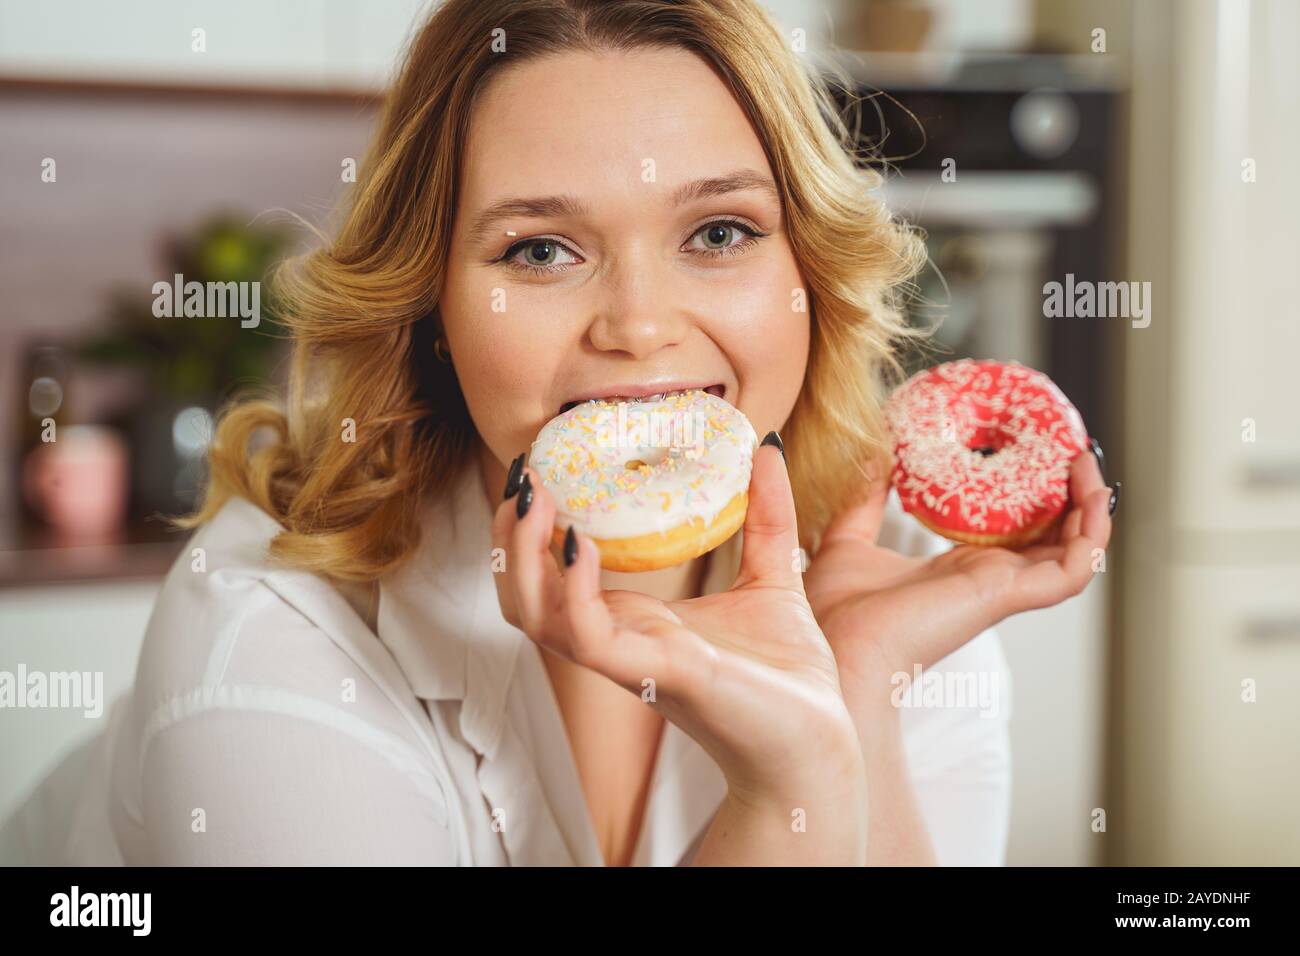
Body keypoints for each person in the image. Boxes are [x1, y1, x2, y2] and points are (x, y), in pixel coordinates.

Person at [0, 0, 1113, 866]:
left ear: (809, 276)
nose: (636, 325)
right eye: (539, 250)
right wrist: (790, 788)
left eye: (719, 230)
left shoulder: (891, 587)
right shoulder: (270, 632)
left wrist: (852, 692)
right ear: (428, 306)